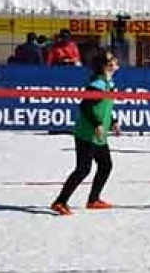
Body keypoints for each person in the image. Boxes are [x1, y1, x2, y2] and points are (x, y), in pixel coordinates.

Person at [50, 50, 120, 215]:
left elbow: (106, 106)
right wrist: (97, 124)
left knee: (105, 165)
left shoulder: (108, 83)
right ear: (105, 65)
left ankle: (93, 200)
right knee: (83, 169)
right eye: (111, 58)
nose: (115, 60)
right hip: (87, 133)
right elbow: (85, 106)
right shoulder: (97, 84)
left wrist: (113, 121)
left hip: (98, 133)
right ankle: (60, 202)